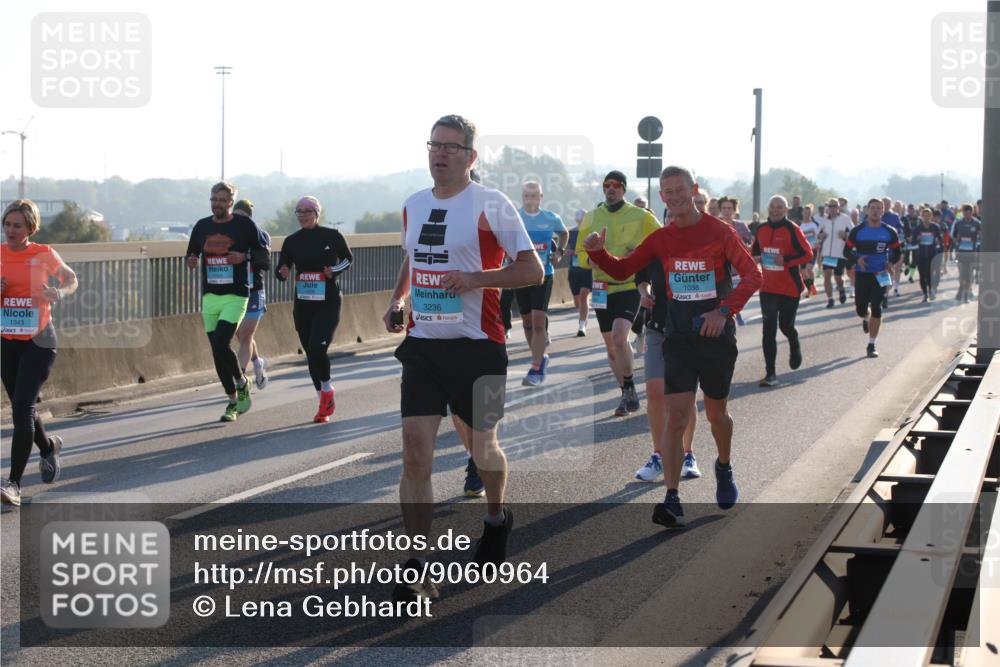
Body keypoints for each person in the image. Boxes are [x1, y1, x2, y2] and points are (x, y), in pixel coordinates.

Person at [383, 115, 542, 604]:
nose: (441, 153)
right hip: (425, 346)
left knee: (483, 448)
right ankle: (416, 564)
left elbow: (531, 270)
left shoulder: (491, 204)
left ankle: (496, 516)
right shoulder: (413, 205)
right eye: (435, 144)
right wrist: (398, 300)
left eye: (453, 147)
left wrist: (475, 279)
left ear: (472, 156)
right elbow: (414, 257)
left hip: (481, 348)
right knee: (415, 454)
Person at [585, 166, 762, 527]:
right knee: (676, 415)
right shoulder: (661, 239)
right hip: (678, 338)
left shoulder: (720, 232)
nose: (675, 196)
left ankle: (724, 466)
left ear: (694, 189)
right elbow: (623, 270)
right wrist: (600, 254)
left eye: (681, 189)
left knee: (716, 416)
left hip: (715, 339)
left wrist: (723, 311)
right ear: (662, 197)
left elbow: (753, 274)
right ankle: (672, 498)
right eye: (668, 191)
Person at [1, 200, 78, 506]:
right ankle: (48, 448)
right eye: (7, 224)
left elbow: (71, 279)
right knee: (25, 408)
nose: (10, 230)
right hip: (7, 342)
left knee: (21, 409)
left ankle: (13, 484)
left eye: (17, 225)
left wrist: (58, 292)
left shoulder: (43, 254)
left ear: (30, 228)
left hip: (39, 342)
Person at [575, 170, 661, 417]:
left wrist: (642, 253)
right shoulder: (592, 217)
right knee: (611, 347)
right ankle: (626, 392)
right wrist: (589, 261)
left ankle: (630, 383)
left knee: (619, 338)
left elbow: (661, 239)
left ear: (623, 189)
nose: (610, 189)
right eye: (606, 185)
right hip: (601, 289)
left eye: (615, 185)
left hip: (627, 285)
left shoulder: (640, 216)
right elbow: (580, 252)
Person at [186, 182, 270, 422]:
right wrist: (191, 259)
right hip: (210, 296)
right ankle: (233, 401)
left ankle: (242, 381)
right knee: (216, 351)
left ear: (231, 202)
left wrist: (244, 256)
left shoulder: (244, 225)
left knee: (223, 342)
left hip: (236, 294)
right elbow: (192, 252)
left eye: (222, 200)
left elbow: (264, 257)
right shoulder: (202, 226)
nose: (217, 204)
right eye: (214, 199)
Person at [276, 196, 352, 423]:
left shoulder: (332, 236)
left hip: (328, 302)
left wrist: (333, 271)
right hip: (303, 304)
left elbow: (348, 259)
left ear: (317, 213)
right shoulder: (292, 241)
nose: (303, 215)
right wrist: (283, 272)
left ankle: (327, 389)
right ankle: (323, 401)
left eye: (307, 211)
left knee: (318, 348)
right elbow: (282, 267)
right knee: (310, 352)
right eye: (299, 211)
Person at [751, 196, 813, 387]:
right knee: (768, 329)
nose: (775, 210)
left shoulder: (792, 229)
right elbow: (754, 252)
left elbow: (808, 254)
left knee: (786, 327)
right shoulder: (761, 229)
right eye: (772, 207)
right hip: (768, 287)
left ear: (786, 210)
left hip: (789, 287)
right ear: (767, 208)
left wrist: (784, 261)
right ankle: (771, 374)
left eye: (779, 207)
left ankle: (794, 343)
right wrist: (756, 259)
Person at [516, 181, 567, 386]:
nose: (530, 200)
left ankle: (536, 368)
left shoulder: (551, 218)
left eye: (534, 196)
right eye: (527, 196)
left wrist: (559, 253)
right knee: (527, 322)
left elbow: (564, 234)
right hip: (520, 275)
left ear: (541, 197)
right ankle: (539, 358)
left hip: (543, 274)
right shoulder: (515, 217)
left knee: (538, 322)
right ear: (523, 197)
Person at [844, 199, 901, 358]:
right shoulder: (857, 231)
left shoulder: (889, 231)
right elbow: (846, 251)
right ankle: (866, 317)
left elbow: (897, 252)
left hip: (881, 274)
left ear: (882, 211)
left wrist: (890, 262)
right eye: (873, 208)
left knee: (877, 306)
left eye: (879, 208)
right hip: (862, 274)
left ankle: (871, 344)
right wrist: (857, 259)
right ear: (867, 210)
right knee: (861, 309)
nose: (875, 211)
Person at [232, 199, 272, 390]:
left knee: (246, 337)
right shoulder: (228, 234)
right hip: (233, 293)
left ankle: (239, 380)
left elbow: (266, 262)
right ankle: (257, 363)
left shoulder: (259, 234)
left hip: (254, 291)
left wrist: (245, 257)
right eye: (235, 215)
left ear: (248, 217)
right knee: (240, 336)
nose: (238, 220)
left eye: (242, 216)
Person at [816, 199, 852, 309]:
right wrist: (820, 237)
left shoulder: (845, 218)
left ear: (838, 207)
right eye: (830, 206)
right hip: (827, 253)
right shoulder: (824, 220)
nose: (832, 208)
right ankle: (830, 299)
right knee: (827, 276)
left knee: (838, 277)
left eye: (834, 206)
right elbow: (818, 234)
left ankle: (841, 288)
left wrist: (845, 235)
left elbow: (853, 232)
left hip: (839, 253)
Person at [565, 208, 592, 336]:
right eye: (580, 220)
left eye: (583, 220)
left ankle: (582, 325)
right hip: (574, 271)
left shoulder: (591, 232)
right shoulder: (571, 233)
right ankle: (583, 317)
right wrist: (570, 252)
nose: (581, 222)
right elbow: (567, 249)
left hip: (586, 270)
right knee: (577, 300)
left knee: (584, 295)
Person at [910, 206, 944, 302]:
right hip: (921, 254)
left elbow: (940, 240)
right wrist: (917, 239)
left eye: (928, 216)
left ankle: (930, 291)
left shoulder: (935, 227)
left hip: (932, 254)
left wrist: (938, 241)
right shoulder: (918, 228)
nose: (926, 218)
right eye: (924, 216)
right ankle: (925, 293)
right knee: (922, 275)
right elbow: (913, 242)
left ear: (931, 216)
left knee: (929, 274)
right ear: (921, 217)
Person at [953, 203, 982, 303]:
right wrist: (957, 241)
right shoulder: (958, 223)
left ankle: (965, 294)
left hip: (972, 253)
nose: (968, 214)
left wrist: (977, 239)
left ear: (972, 212)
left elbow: (981, 235)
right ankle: (962, 291)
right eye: (966, 212)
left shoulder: (977, 223)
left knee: (969, 275)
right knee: (962, 275)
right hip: (960, 253)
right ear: (963, 212)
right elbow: (954, 236)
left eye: (970, 212)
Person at [799, 204, 821, 297]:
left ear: (811, 213)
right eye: (805, 212)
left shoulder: (815, 225)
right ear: (802, 213)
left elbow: (819, 236)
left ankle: (812, 289)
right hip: (803, 251)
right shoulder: (800, 225)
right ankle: (810, 289)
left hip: (813, 250)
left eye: (809, 213)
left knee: (809, 269)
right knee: (803, 272)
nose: (807, 214)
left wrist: (818, 243)